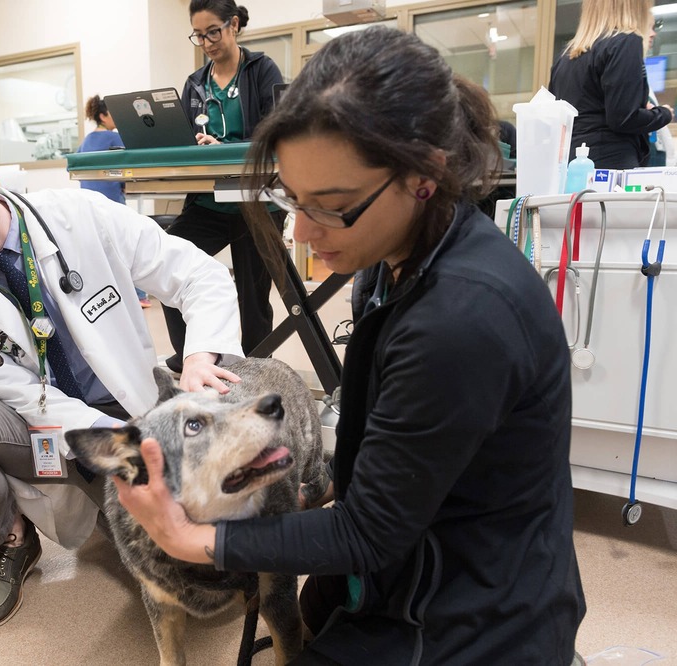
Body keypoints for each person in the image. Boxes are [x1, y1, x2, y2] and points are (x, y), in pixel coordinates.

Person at [115, 26, 586, 664]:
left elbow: (367, 534)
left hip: (475, 616)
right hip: (413, 558)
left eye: (333, 206)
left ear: (425, 174)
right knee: (315, 611)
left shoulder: (461, 320)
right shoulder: (407, 251)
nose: (304, 233)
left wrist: (190, 539)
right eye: (293, 200)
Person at [0, 118, 244, 630]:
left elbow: (198, 276)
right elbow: (18, 397)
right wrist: (115, 446)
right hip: (34, 428)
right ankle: (9, 537)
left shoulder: (80, 214)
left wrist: (199, 356)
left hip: (131, 403)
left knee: (201, 583)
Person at [161, 0, 285, 373]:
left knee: (253, 298)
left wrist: (226, 147)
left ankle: (256, 370)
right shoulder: (195, 83)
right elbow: (182, 136)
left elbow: (274, 131)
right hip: (209, 203)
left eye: (213, 31)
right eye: (199, 35)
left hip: (257, 203)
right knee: (169, 268)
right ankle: (193, 358)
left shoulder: (261, 70)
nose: (207, 42)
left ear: (233, 25)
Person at [549, 0, 673, 169]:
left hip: (569, 166)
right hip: (611, 165)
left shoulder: (564, 58)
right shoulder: (626, 42)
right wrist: (663, 114)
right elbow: (623, 119)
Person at [76, 94, 150, 308]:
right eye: (113, 114)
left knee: (102, 252)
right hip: (112, 204)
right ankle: (139, 295)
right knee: (128, 247)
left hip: (88, 206)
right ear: (103, 115)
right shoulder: (115, 138)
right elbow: (131, 164)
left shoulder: (86, 140)